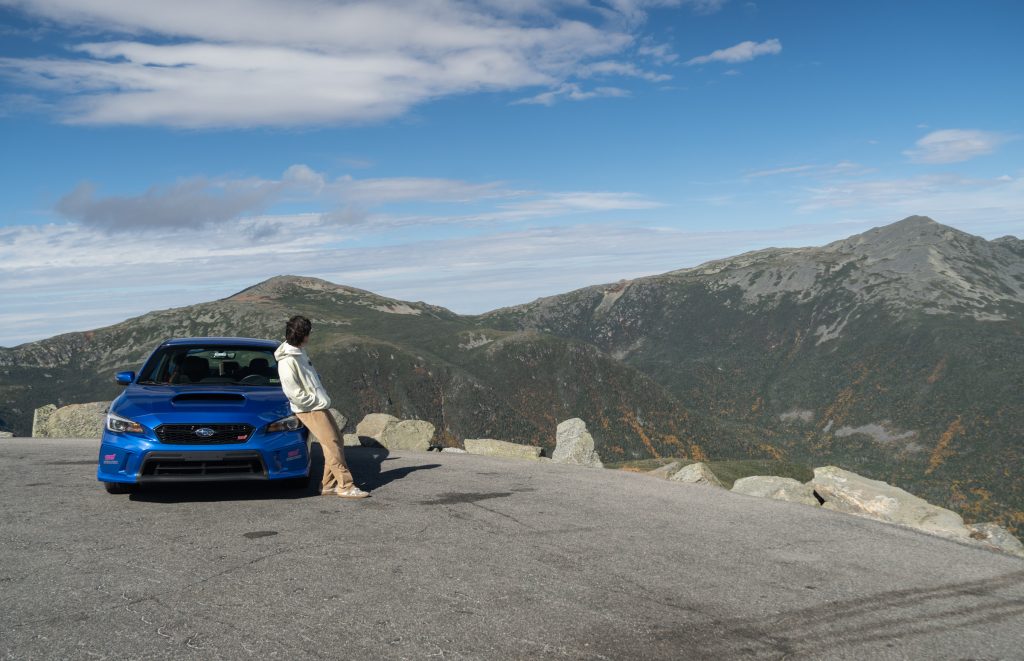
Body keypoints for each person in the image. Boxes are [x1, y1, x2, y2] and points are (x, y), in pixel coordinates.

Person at [274, 315, 369, 499]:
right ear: (303, 335)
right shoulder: (288, 360)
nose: (310, 336)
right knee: (332, 444)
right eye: (308, 333)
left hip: (317, 405)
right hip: (309, 409)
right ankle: (345, 485)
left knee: (336, 441)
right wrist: (315, 400)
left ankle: (328, 484)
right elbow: (293, 392)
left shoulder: (299, 352)